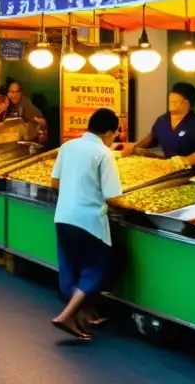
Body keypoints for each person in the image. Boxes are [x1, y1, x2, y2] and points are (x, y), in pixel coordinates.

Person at [50, 107, 123, 341]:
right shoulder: (104, 153)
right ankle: (67, 315)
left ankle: (87, 313)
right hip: (89, 221)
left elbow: (54, 182)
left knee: (70, 267)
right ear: (110, 133)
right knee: (96, 268)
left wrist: (74, 193)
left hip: (63, 217)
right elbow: (113, 197)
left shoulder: (67, 146)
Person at [122, 82, 195, 168]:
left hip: (193, 172)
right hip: (169, 169)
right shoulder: (162, 120)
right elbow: (152, 138)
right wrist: (134, 147)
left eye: (175, 102)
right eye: (170, 101)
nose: (171, 104)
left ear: (186, 103)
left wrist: (186, 160)